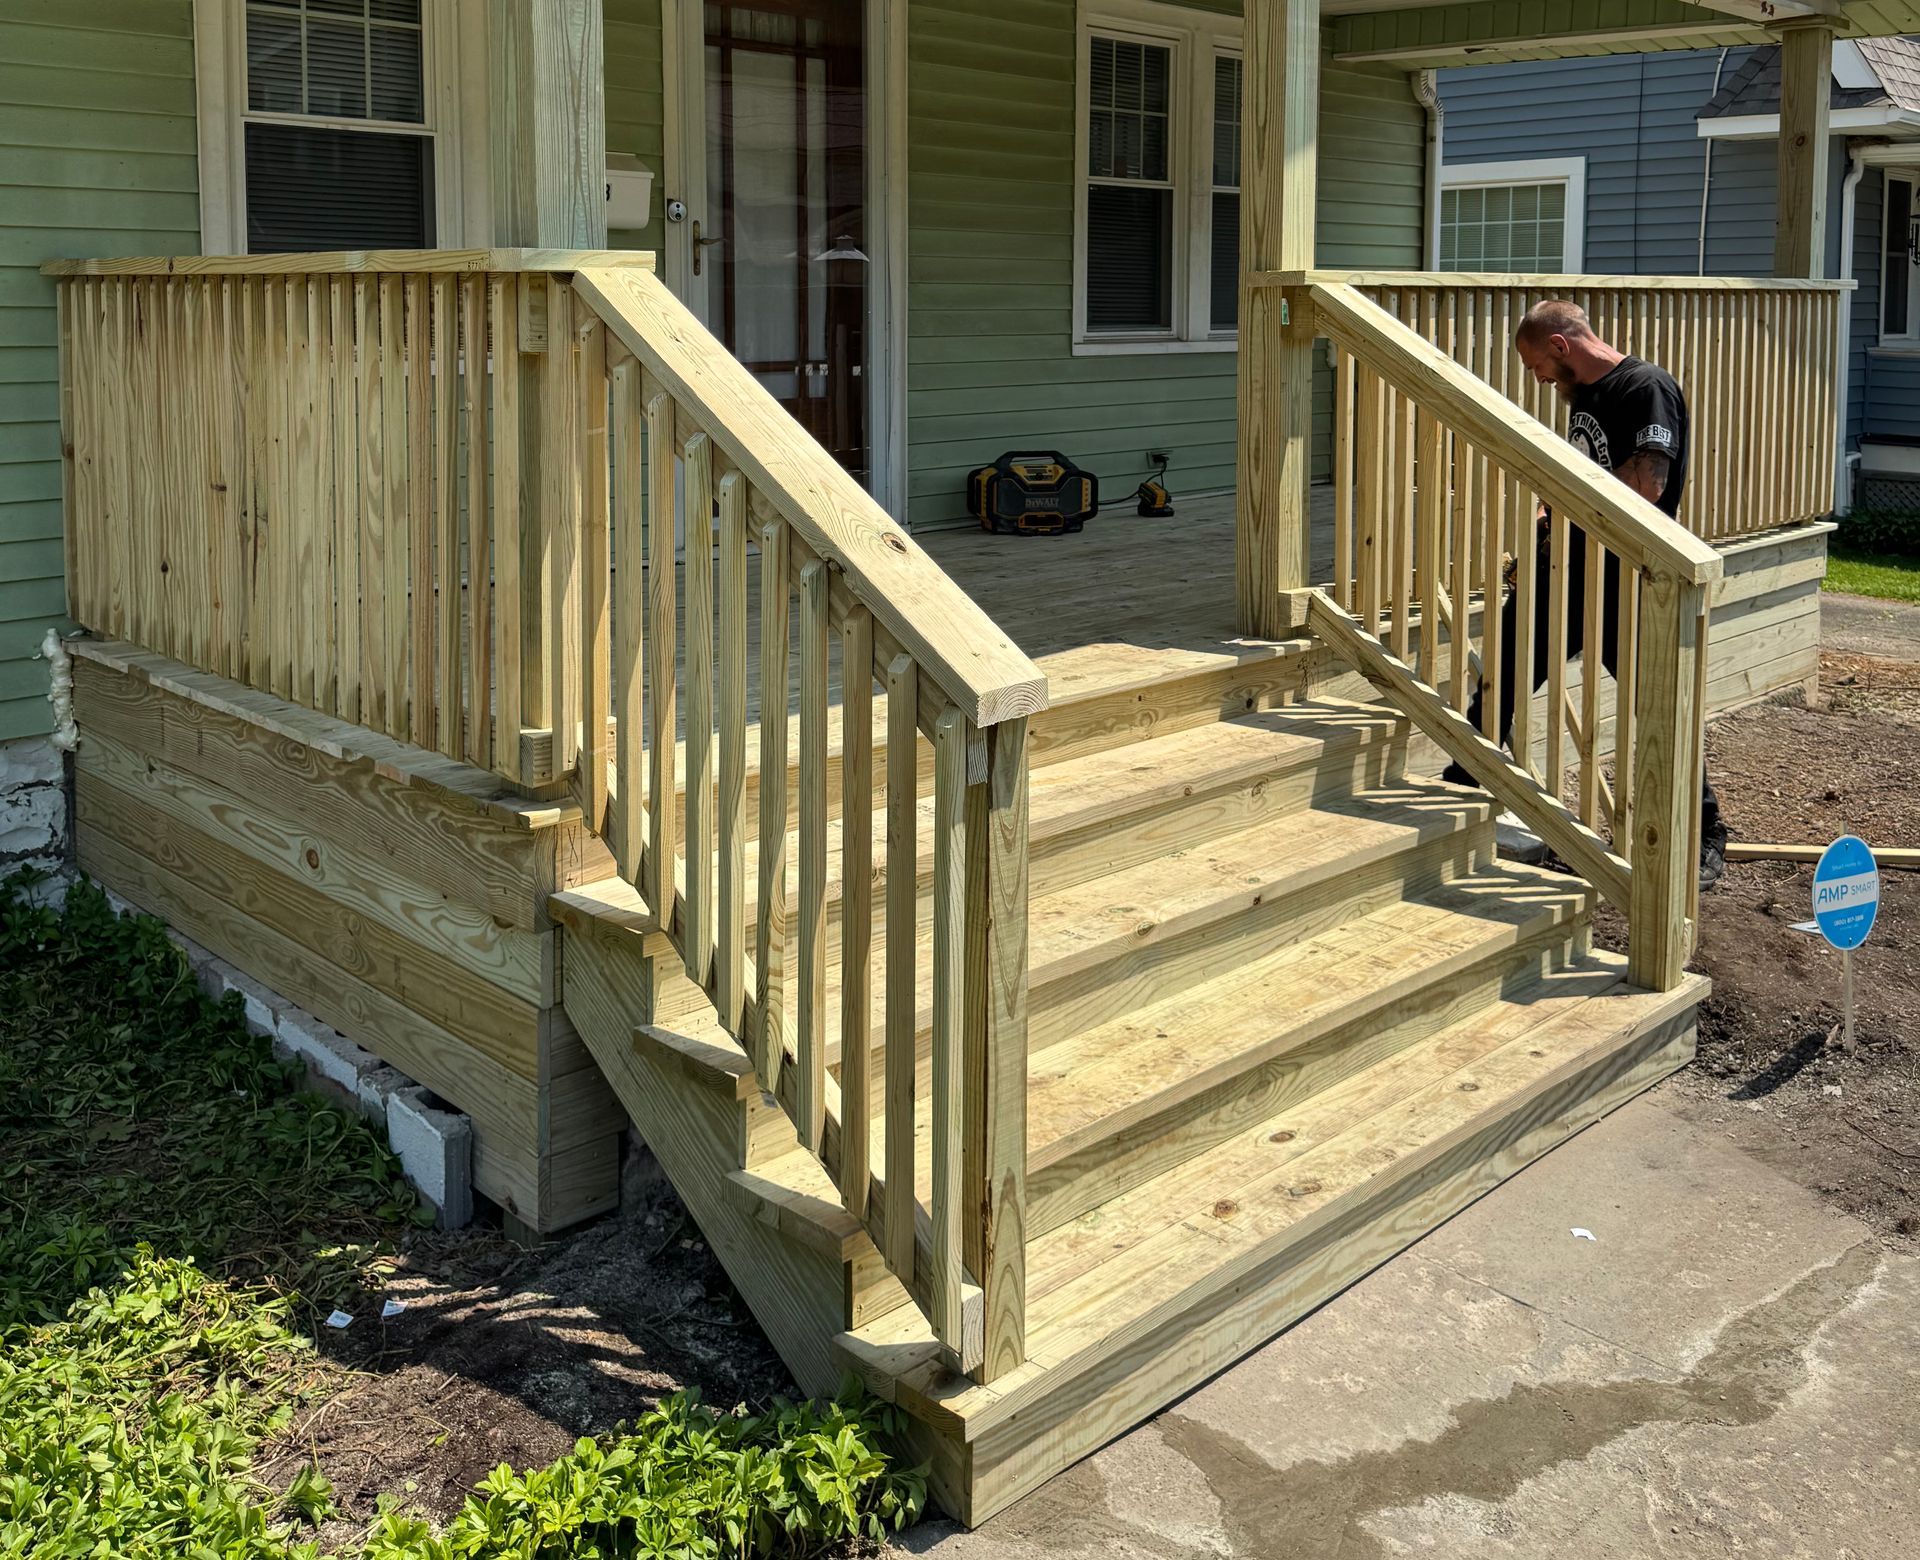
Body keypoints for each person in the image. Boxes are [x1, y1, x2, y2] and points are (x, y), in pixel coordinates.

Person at [1442, 299, 1729, 889]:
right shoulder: (1586, 400)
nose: (1538, 379)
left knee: (1659, 706)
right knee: (1504, 673)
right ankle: (1462, 783)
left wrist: (1574, 518)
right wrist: (1549, 526)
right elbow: (1585, 475)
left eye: (1536, 364)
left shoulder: (1644, 388)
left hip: (1624, 580)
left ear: (1561, 346)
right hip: (1565, 572)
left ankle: (1703, 835)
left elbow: (1647, 486)